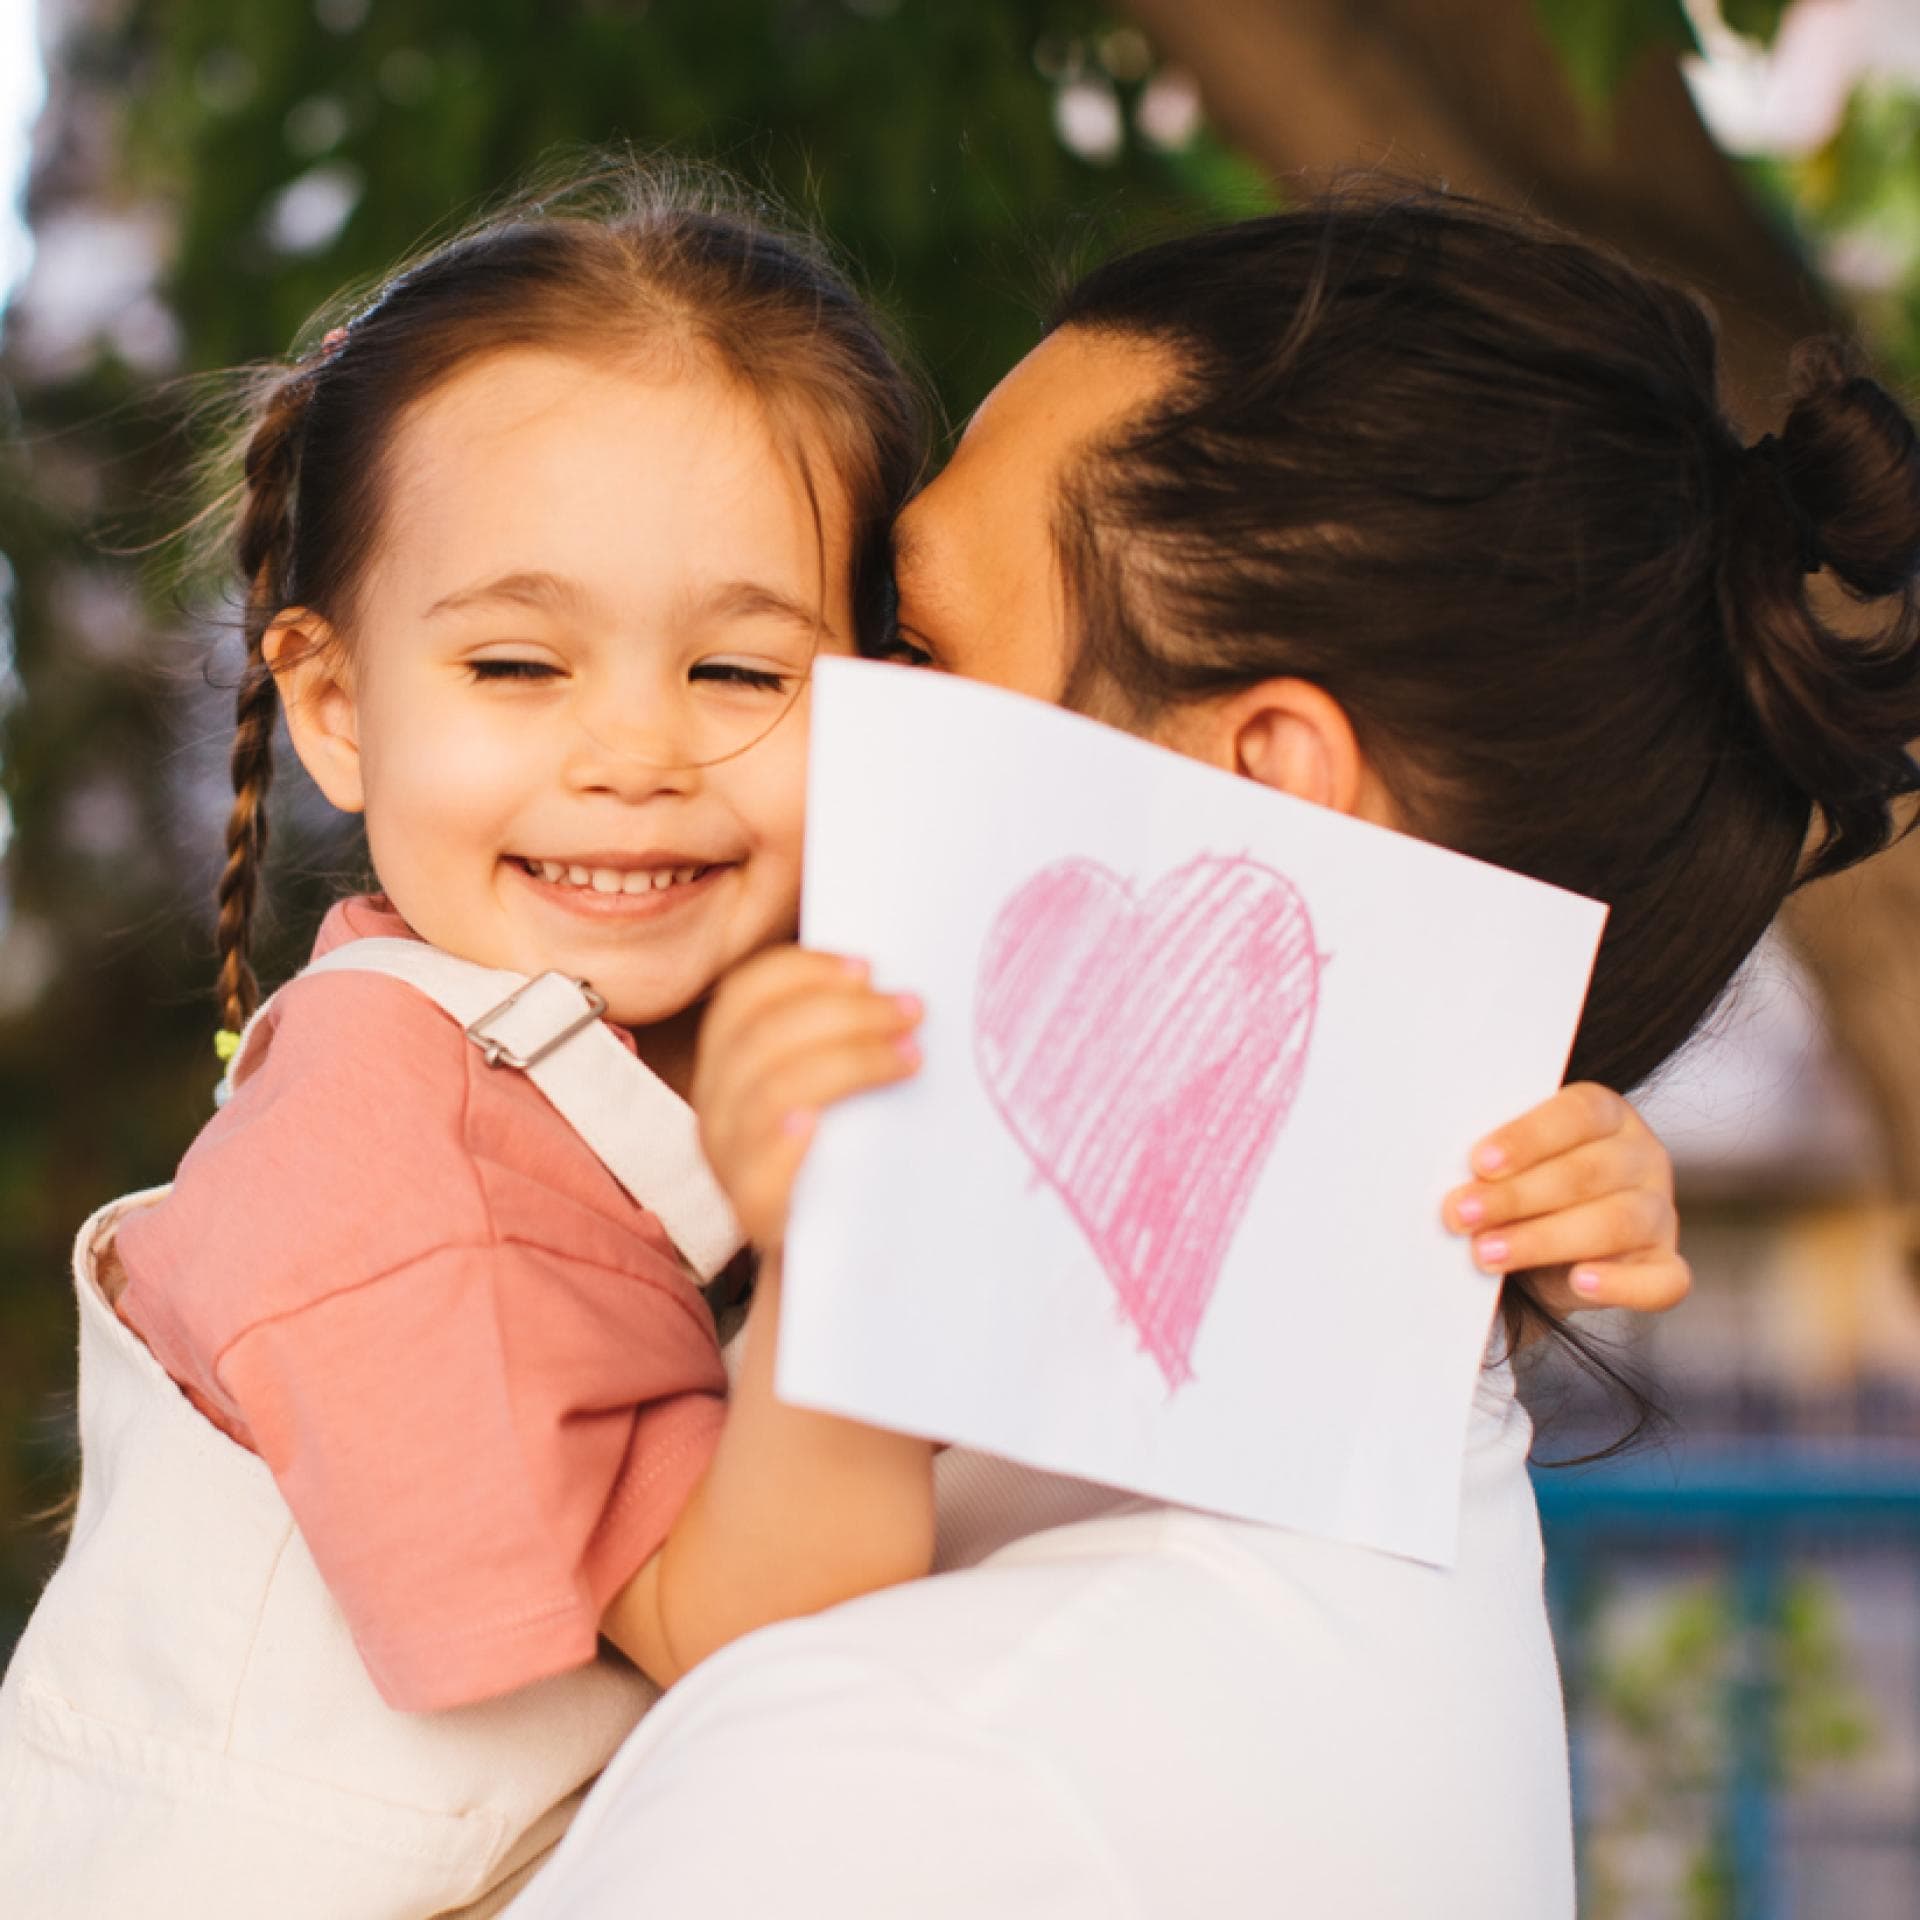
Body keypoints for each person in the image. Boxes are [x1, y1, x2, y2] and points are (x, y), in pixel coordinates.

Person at [0, 170, 1683, 1919]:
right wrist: (836, 1254)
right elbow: (740, 1629)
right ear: (336, 704)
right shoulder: (378, 1158)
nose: (634, 757)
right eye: (515, 665)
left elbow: (1186, 1161)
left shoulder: (767, 987)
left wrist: (1506, 1165)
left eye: (743, 674)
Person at [507, 188, 1920, 1919]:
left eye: (920, 645)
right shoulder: (1357, 1554)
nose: (810, 728)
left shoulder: (911, 1770)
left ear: (1262, 791)